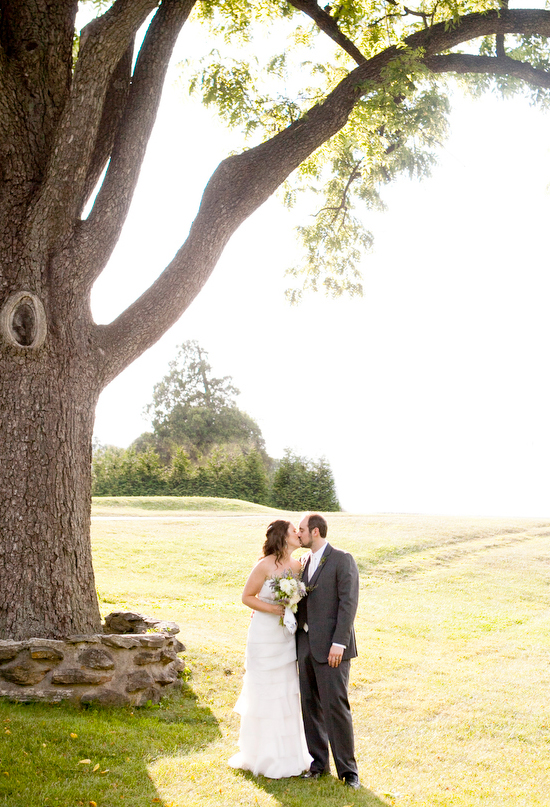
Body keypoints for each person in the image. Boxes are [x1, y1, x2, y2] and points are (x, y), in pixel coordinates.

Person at [229, 519, 313, 779]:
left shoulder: (299, 566)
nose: (298, 534)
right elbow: (247, 597)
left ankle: (288, 755)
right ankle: (260, 755)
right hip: (264, 635)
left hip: (285, 636)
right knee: (264, 690)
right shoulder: (264, 565)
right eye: (293, 531)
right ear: (282, 536)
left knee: (285, 691)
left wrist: (290, 606)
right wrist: (275, 609)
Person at [296, 512, 361, 789]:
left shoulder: (341, 559)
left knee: (335, 707)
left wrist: (339, 642)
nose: (297, 534)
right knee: (309, 705)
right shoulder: (302, 562)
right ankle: (318, 765)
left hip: (333, 646)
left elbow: (349, 603)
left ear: (315, 532)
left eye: (301, 530)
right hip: (305, 645)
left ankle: (349, 772)